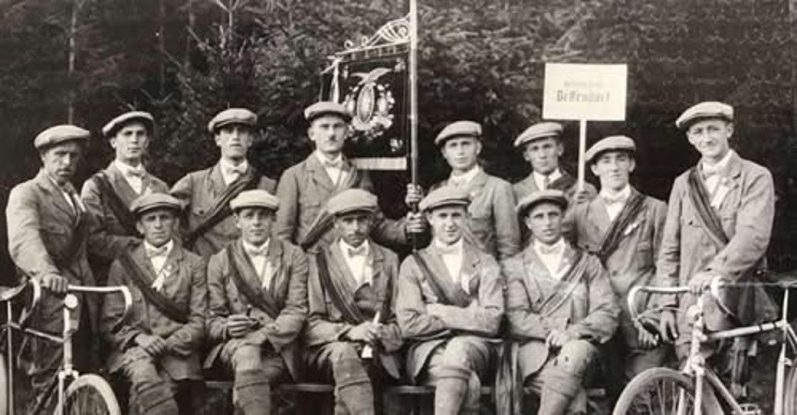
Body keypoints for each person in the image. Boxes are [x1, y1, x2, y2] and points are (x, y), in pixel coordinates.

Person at [656, 101, 777, 399]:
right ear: (690, 138)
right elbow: (670, 248)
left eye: (713, 129)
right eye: (698, 132)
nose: (707, 138)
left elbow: (752, 237)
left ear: (729, 131)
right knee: (691, 387)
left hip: (736, 297)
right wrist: (667, 304)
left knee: (730, 390)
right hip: (691, 303)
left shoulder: (754, 176)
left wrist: (714, 272)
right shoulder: (683, 184)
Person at [6, 125, 100, 413]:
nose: (67, 162)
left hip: (83, 297)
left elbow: (85, 250)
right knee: (48, 377)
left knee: (82, 374)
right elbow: (24, 239)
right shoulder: (27, 193)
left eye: (73, 156)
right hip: (48, 297)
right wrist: (46, 272)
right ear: (44, 157)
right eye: (60, 155)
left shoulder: (75, 199)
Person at [563, 135, 668, 385]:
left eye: (621, 159)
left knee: (641, 391)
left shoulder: (655, 209)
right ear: (594, 169)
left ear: (631, 165)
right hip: (596, 320)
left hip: (639, 320)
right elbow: (561, 262)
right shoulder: (579, 214)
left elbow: (666, 266)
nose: (614, 167)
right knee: (587, 388)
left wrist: (652, 319)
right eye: (606, 161)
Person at [503, 190, 619, 414]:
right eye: (539, 217)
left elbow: (607, 312)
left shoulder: (588, 263)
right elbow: (517, 317)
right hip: (535, 357)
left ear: (563, 217)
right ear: (528, 223)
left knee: (575, 350)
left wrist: (573, 333)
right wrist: (558, 330)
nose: (547, 222)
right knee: (574, 403)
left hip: (582, 355)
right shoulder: (515, 266)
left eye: (553, 215)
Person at [396, 186, 504, 415]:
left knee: (459, 348)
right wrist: (470, 316)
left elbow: (492, 321)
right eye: (442, 216)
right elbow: (409, 324)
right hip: (428, 349)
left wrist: (439, 311)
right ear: (430, 219)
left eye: (456, 215)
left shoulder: (485, 261)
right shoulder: (413, 264)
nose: (450, 223)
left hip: (476, 347)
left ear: (466, 217)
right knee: (469, 384)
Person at [102, 193, 207, 415]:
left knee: (152, 396)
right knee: (144, 377)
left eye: (164, 218)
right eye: (151, 219)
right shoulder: (123, 264)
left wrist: (166, 344)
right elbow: (111, 322)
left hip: (178, 355)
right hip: (134, 352)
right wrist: (140, 339)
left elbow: (199, 320)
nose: (158, 225)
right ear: (140, 227)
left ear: (175, 223)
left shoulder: (194, 264)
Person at [205, 189, 308, 415]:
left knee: (249, 382)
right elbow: (212, 319)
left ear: (274, 219)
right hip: (233, 348)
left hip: (277, 349)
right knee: (247, 355)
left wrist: (263, 335)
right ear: (237, 221)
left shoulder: (293, 255)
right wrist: (227, 327)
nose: (256, 222)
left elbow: (297, 309)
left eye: (263, 216)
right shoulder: (220, 260)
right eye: (249, 216)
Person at [303, 189, 403, 415]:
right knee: (345, 355)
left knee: (357, 367)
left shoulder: (389, 259)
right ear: (335, 224)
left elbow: (400, 319)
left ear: (371, 222)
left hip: (379, 352)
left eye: (362, 220)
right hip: (331, 349)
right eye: (348, 221)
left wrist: (381, 333)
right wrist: (350, 332)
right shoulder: (318, 262)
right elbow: (310, 324)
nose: (355, 228)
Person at [275, 101, 424, 253]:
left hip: (354, 261)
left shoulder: (359, 175)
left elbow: (376, 225)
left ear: (346, 132)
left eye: (337, 127)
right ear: (311, 134)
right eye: (324, 127)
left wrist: (406, 227)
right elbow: (281, 236)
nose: (331, 133)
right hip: (313, 263)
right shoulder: (294, 176)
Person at [171, 108, 277, 256]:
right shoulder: (193, 182)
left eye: (242, 131)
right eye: (228, 131)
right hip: (203, 266)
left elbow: (276, 235)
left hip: (246, 267)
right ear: (218, 139)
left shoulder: (267, 186)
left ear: (250, 140)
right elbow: (166, 221)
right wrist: (182, 257)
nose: (235, 137)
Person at [81, 111, 169, 283]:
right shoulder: (97, 186)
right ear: (113, 142)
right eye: (127, 134)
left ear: (147, 142)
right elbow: (92, 240)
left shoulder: (160, 187)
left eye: (140, 134)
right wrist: (140, 247)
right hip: (114, 277)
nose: (134, 140)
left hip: (158, 277)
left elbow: (173, 233)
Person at [428, 120, 520, 260]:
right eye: (453, 146)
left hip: (484, 271)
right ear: (444, 153)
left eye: (466, 144)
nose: (460, 151)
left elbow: (509, 247)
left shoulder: (498, 188)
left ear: (478, 148)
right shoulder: (436, 190)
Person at [511, 121, 596, 205]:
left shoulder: (583, 189)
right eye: (535, 149)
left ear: (560, 149)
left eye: (547, 147)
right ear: (526, 156)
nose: (542, 155)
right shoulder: (515, 192)